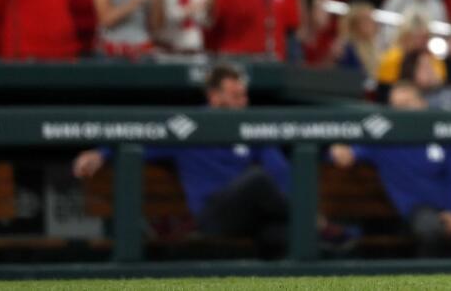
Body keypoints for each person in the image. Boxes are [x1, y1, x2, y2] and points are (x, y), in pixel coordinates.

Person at [73, 65, 291, 258]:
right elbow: (141, 138)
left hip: (247, 215)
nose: (244, 102)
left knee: (279, 231)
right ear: (214, 97)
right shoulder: (187, 126)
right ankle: (307, 218)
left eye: (244, 96)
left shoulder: (250, 128)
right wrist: (101, 153)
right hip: (212, 215)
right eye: (235, 96)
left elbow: (279, 169)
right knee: (258, 180)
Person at [329, 82, 451, 258]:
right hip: (415, 210)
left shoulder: (442, 132)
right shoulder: (384, 141)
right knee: (430, 229)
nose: (403, 112)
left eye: (408, 104)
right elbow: (345, 157)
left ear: (423, 104)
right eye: (397, 107)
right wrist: (337, 146)